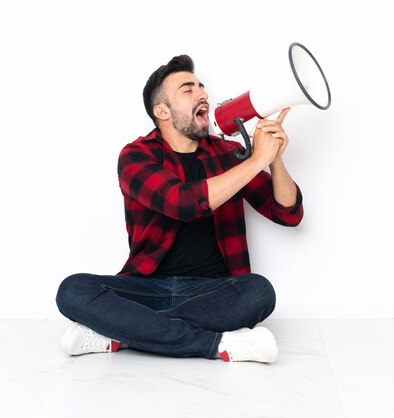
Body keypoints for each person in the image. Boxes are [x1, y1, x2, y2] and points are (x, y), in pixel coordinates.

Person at [55, 54, 303, 363]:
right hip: (145, 286)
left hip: (212, 292)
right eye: (188, 89)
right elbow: (183, 203)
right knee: (72, 289)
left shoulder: (228, 153)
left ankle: (123, 332)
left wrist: (273, 158)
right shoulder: (136, 156)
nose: (203, 94)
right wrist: (256, 161)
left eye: (201, 87)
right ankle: (216, 345)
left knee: (259, 292)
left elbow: (287, 213)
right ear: (162, 111)